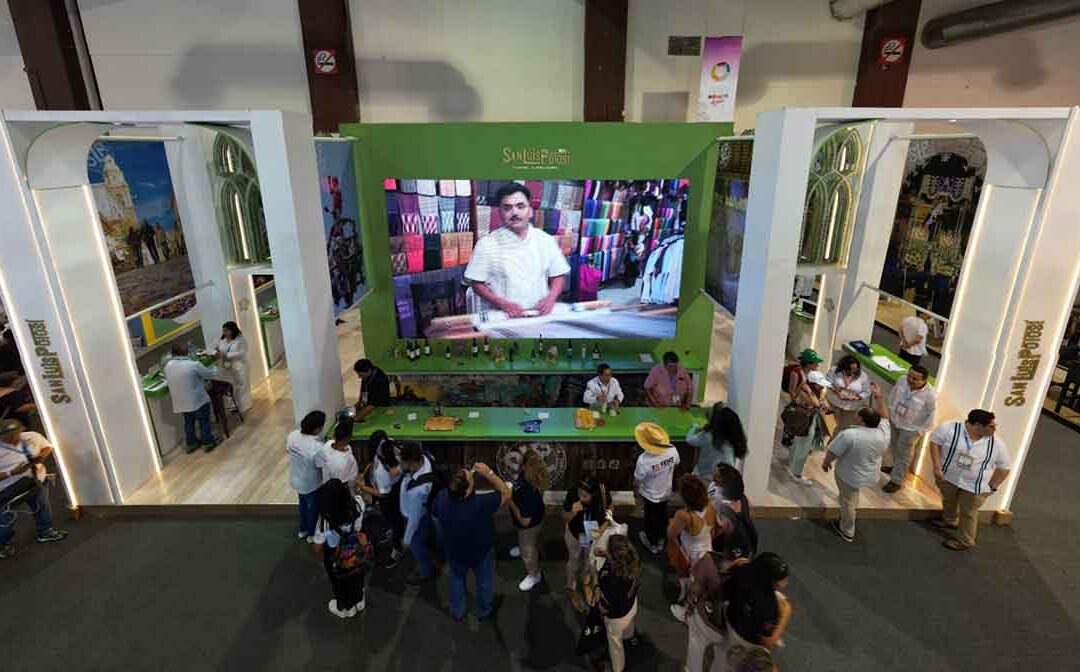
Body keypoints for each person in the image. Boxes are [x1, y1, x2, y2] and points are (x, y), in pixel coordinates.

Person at [463, 183, 570, 318]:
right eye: (507, 208)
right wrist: (503, 303)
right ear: (499, 213)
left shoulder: (546, 240)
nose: (515, 213)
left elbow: (558, 275)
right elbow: (477, 283)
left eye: (520, 206)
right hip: (504, 316)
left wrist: (551, 297)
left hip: (539, 314)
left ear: (530, 211)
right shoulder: (486, 244)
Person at [432, 463, 511, 621]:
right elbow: (506, 493)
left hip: (455, 551)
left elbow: (435, 517)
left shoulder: (441, 498)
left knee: (456, 579)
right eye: (469, 475)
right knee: (484, 583)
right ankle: (484, 610)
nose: (470, 472)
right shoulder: (481, 503)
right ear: (467, 491)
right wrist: (489, 473)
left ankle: (458, 611)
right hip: (481, 552)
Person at [928, 409, 1012, 551]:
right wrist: (937, 467)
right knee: (948, 500)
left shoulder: (996, 444)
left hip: (975, 486)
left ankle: (966, 540)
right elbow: (934, 442)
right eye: (991, 426)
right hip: (948, 477)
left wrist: (992, 486)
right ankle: (950, 521)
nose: (995, 428)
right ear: (977, 425)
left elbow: (1005, 467)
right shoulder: (949, 428)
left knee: (968, 513)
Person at [822, 382, 890, 543]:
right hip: (869, 474)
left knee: (848, 502)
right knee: (851, 497)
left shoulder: (850, 435)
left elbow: (833, 451)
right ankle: (848, 516)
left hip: (848, 475)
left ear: (861, 420)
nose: (856, 414)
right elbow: (885, 416)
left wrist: (826, 463)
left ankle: (847, 529)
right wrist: (878, 397)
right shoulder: (883, 432)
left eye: (858, 414)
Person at [0, 419, 68, 559]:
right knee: (5, 519)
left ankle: (45, 532)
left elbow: (47, 446)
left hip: (35, 481)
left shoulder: (31, 436)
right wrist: (11, 473)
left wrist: (40, 458)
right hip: (7, 489)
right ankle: (4, 544)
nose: (14, 438)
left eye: (16, 433)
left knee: (42, 506)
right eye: (9, 436)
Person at [313, 478, 370, 618]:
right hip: (355, 549)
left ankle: (345, 609)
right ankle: (359, 600)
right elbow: (360, 525)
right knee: (357, 575)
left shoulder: (325, 521)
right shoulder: (357, 504)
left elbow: (317, 548)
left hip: (336, 557)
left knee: (340, 583)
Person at [666, 475, 718, 612]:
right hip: (707, 548)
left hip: (690, 553)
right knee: (699, 583)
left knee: (692, 583)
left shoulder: (683, 515)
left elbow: (670, 534)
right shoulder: (711, 505)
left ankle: (687, 611)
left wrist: (672, 523)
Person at [591, 534, 641, 672]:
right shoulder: (634, 561)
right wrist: (607, 555)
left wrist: (595, 579)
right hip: (632, 606)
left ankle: (618, 668)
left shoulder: (610, 581)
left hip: (617, 620)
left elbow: (602, 607)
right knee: (629, 627)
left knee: (615, 645)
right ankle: (631, 637)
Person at [883, 365, 937, 493]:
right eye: (910, 376)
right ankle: (895, 468)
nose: (910, 380)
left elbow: (932, 415)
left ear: (924, 380)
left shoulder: (930, 394)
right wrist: (890, 413)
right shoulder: (902, 380)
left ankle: (896, 481)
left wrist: (920, 431)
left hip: (911, 428)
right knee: (895, 447)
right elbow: (893, 395)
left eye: (915, 379)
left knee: (904, 455)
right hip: (895, 420)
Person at [564, 475, 612, 612]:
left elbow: (610, 509)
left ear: (594, 495)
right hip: (574, 534)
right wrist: (572, 512)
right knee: (573, 562)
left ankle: (586, 584)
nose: (580, 497)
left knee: (589, 561)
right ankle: (572, 588)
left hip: (592, 535)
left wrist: (601, 529)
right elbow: (564, 517)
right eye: (579, 493)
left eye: (584, 495)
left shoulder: (602, 492)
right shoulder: (572, 494)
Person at [724, 553, 792, 651]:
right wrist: (785, 615)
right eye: (783, 579)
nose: (786, 582)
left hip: (729, 616)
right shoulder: (769, 606)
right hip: (743, 641)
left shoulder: (741, 569)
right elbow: (768, 642)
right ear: (772, 581)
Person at [357, 430, 405, 566]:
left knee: (394, 518)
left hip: (389, 495)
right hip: (397, 487)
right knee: (396, 517)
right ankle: (394, 529)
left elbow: (382, 494)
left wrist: (362, 487)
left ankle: (397, 547)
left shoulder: (381, 471)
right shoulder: (390, 444)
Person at [633, 422, 681, 555]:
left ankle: (652, 543)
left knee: (650, 519)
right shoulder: (672, 450)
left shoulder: (643, 460)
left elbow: (637, 481)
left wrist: (636, 496)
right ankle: (661, 539)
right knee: (662, 516)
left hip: (649, 495)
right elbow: (676, 463)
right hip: (666, 492)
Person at [163, 342, 218, 452]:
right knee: (203, 420)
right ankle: (208, 442)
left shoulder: (167, 366)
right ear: (187, 352)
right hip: (197, 400)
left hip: (181, 401)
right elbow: (209, 374)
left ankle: (192, 443)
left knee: (189, 422)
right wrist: (216, 367)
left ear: (173, 353)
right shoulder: (194, 365)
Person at [508, 449, 548, 592]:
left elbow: (524, 522)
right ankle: (524, 546)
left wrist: (510, 500)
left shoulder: (529, 492)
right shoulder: (532, 477)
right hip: (536, 518)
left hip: (529, 526)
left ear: (524, 466)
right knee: (527, 542)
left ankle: (534, 575)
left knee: (528, 551)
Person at [399, 442, 436, 584]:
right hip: (424, 511)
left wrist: (407, 539)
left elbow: (414, 518)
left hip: (415, 518)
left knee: (417, 546)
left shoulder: (418, 490)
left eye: (402, 462)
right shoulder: (426, 459)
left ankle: (425, 572)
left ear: (411, 463)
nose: (400, 465)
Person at [287, 410, 326, 542]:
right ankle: (311, 534)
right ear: (317, 429)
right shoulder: (316, 447)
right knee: (312, 509)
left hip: (296, 479)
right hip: (311, 484)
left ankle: (302, 530)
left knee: (302, 505)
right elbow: (320, 465)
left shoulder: (292, 435)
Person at [787, 368, 830, 485]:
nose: (822, 387)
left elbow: (823, 403)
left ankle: (792, 463)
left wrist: (822, 400)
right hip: (805, 420)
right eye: (820, 385)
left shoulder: (815, 390)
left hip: (811, 419)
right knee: (804, 447)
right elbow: (817, 404)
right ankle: (796, 474)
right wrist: (819, 400)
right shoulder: (804, 390)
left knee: (799, 442)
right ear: (813, 384)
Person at [709, 463, 758, 563]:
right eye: (714, 474)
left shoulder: (725, 505)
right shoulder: (714, 488)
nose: (714, 478)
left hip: (734, 544)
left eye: (718, 476)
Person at [688, 401, 747, 477]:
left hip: (706, 477)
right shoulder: (731, 438)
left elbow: (689, 440)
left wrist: (695, 427)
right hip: (724, 479)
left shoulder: (707, 435)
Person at [781, 348, 824, 447]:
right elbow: (792, 390)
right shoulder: (795, 373)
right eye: (816, 363)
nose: (817, 365)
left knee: (798, 421)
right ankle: (788, 440)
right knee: (792, 419)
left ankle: (793, 439)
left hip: (799, 398)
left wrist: (810, 393)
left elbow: (803, 384)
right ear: (809, 364)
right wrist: (795, 403)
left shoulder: (806, 372)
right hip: (794, 399)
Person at [826, 355, 871, 433]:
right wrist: (836, 392)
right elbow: (827, 382)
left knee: (845, 429)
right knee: (828, 427)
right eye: (850, 369)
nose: (853, 371)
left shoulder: (863, 376)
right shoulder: (834, 370)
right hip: (833, 403)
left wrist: (857, 397)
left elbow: (867, 391)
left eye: (855, 369)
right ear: (844, 367)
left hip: (850, 408)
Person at [214, 321, 251, 413]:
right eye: (223, 331)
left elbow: (242, 352)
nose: (224, 333)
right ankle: (233, 406)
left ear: (232, 330)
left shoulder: (241, 340)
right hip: (227, 367)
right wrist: (216, 353)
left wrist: (227, 354)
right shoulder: (222, 340)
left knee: (242, 386)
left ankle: (244, 405)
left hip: (239, 366)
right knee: (231, 387)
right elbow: (215, 348)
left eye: (226, 331)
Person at [317, 417, 359, 491]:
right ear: (348, 438)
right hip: (339, 489)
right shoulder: (345, 461)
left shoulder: (327, 444)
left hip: (327, 485)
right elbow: (349, 480)